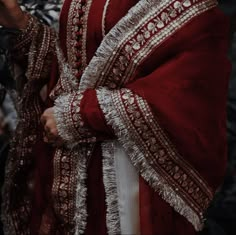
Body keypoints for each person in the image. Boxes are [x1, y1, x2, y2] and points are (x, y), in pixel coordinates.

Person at [0, 0, 232, 234]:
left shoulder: (192, 9)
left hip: (129, 186)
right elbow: (75, 70)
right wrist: (19, 25)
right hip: (69, 179)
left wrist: (82, 115)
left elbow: (189, 93)